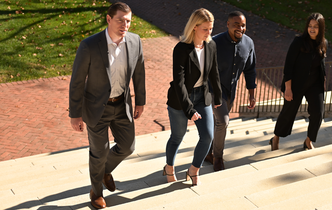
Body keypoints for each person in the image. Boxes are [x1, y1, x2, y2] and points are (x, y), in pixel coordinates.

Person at [69, 2, 145, 209]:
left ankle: (103, 171)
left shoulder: (135, 41)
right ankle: (96, 191)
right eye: (120, 19)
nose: (125, 24)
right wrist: (74, 115)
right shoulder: (90, 45)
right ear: (109, 19)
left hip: (122, 104)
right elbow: (77, 81)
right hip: (95, 107)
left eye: (128, 21)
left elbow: (139, 73)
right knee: (99, 151)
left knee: (128, 146)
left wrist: (141, 101)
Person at [162, 8, 222, 186]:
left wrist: (217, 96)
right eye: (205, 29)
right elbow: (178, 82)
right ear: (194, 27)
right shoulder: (181, 49)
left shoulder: (211, 45)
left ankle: (194, 170)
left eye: (211, 29)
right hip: (181, 100)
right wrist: (189, 109)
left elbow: (214, 72)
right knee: (177, 136)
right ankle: (169, 167)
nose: (209, 32)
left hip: (202, 96)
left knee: (208, 136)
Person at [205, 11, 257, 171]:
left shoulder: (248, 44)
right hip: (213, 89)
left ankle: (208, 152)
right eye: (236, 24)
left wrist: (251, 94)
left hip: (231, 91)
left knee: (217, 123)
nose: (240, 28)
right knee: (223, 121)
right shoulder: (215, 43)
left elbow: (250, 70)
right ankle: (218, 158)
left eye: (243, 25)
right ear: (228, 24)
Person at [269, 13, 327, 151]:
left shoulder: (324, 43)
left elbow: (321, 65)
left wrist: (323, 82)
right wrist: (288, 88)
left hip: (314, 84)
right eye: (310, 26)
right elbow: (288, 67)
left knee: (318, 112)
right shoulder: (298, 42)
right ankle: (276, 138)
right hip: (295, 84)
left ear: (321, 28)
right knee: (288, 112)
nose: (312, 29)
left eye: (315, 27)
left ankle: (308, 140)